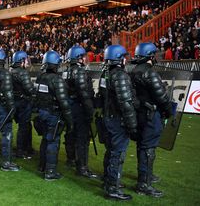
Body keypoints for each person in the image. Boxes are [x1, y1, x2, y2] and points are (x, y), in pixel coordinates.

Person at [131, 42, 173, 197]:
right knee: (148, 149)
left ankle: (145, 176)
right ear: (149, 55)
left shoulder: (134, 71)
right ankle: (144, 184)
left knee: (142, 146)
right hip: (151, 115)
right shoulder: (150, 73)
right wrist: (169, 112)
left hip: (139, 114)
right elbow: (162, 98)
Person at [99, 44, 137, 200]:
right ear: (119, 59)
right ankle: (112, 188)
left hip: (108, 117)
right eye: (123, 57)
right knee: (117, 154)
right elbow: (126, 103)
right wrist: (133, 125)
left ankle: (108, 181)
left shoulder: (105, 74)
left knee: (111, 151)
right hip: (117, 120)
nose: (125, 60)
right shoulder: (120, 75)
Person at [34, 50, 73, 180]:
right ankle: (50, 172)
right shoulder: (57, 80)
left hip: (41, 113)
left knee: (45, 139)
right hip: (53, 114)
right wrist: (70, 121)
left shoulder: (40, 77)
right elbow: (64, 103)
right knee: (52, 141)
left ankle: (42, 166)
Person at [63, 46, 99, 178]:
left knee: (70, 133)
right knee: (82, 138)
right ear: (79, 58)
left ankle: (70, 159)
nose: (86, 59)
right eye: (84, 56)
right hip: (79, 107)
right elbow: (84, 94)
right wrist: (90, 111)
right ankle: (82, 167)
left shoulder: (66, 71)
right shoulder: (80, 72)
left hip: (69, 106)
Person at [10, 51, 35, 159]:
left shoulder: (11, 71)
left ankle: (26, 148)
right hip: (23, 103)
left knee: (25, 126)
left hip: (15, 102)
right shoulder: (23, 73)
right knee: (24, 126)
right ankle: (21, 150)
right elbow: (29, 89)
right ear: (21, 61)